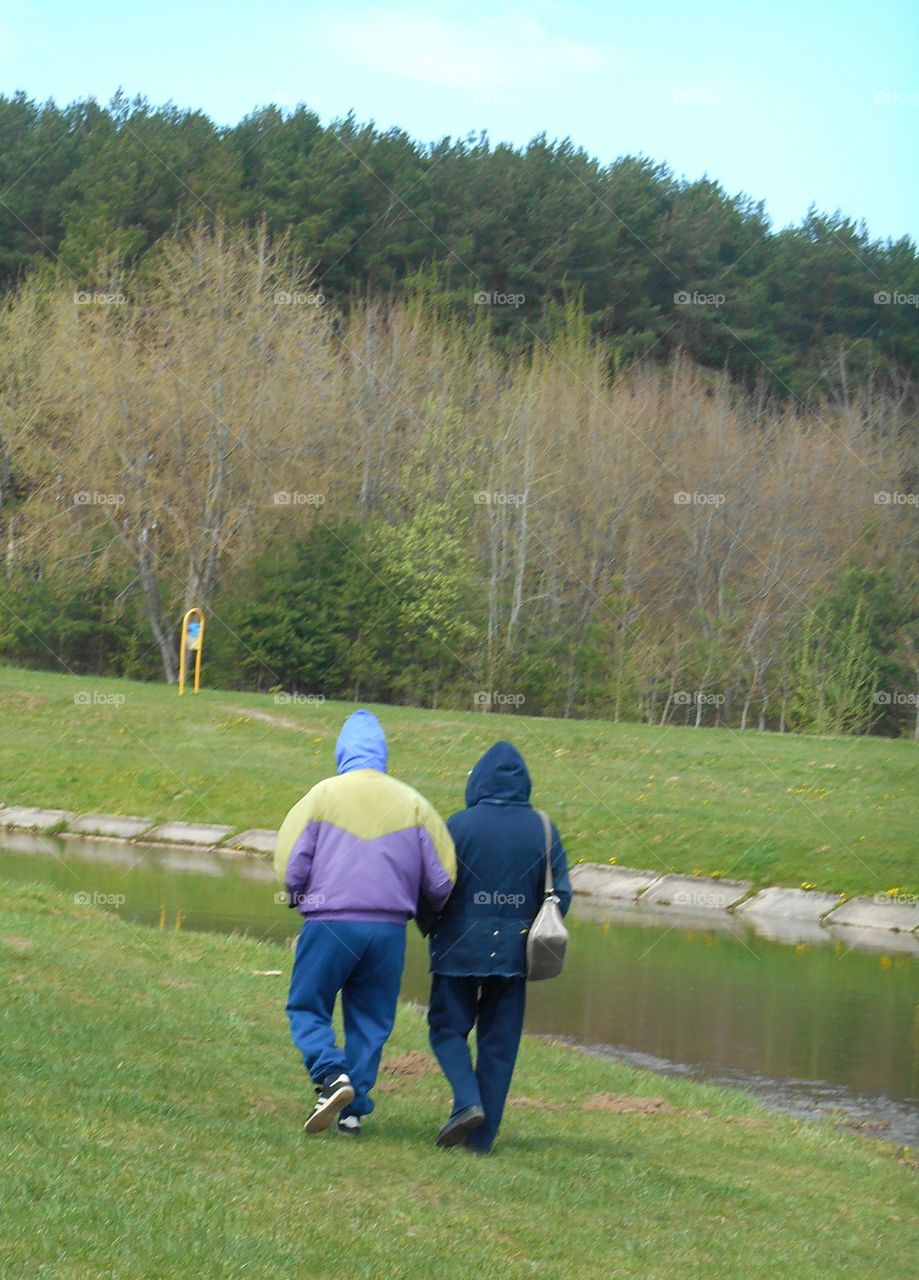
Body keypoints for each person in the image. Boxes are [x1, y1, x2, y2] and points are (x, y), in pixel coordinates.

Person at [275, 709, 456, 1136]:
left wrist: (297, 897)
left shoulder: (321, 796)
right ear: (382, 755)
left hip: (330, 922)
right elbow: (443, 879)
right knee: (371, 1020)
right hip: (389, 930)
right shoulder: (413, 803)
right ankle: (352, 1111)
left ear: (342, 752)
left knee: (307, 1004)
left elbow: (291, 864)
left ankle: (330, 1074)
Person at [424, 740, 571, 1153]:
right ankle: (481, 1141)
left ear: (479, 780)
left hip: (458, 948)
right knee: (499, 1044)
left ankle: (467, 1101)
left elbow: (436, 888)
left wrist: (429, 926)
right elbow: (560, 894)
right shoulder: (544, 827)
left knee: (446, 1028)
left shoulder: (459, 825)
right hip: (516, 953)